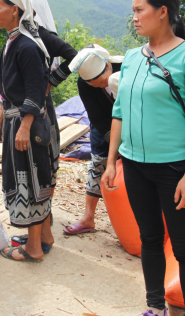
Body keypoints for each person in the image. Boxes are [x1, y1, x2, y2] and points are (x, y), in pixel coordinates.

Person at [102, 0, 185, 316]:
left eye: (140, 10)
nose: (133, 18)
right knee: (149, 239)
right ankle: (155, 306)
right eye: (133, 11)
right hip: (135, 167)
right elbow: (119, 111)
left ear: (162, 12)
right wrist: (111, 162)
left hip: (174, 170)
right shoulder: (134, 57)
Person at [6, 0, 78, 252]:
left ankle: (38, 237)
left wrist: (52, 81)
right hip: (34, 108)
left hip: (38, 112)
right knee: (39, 171)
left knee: (39, 171)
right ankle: (42, 233)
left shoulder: (40, 36)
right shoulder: (21, 36)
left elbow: (74, 56)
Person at [0, 0, 52, 262]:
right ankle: (37, 239)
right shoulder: (14, 41)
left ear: (14, 10)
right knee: (28, 179)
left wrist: (25, 126)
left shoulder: (26, 46)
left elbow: (36, 91)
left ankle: (34, 248)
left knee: (30, 178)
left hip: (25, 124)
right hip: (17, 122)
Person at [64, 45, 123, 235]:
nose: (99, 86)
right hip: (104, 125)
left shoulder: (126, 67)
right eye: (94, 85)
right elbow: (96, 115)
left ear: (108, 66)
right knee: (99, 165)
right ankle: (89, 217)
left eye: (101, 82)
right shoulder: (84, 84)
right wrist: (113, 142)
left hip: (133, 122)